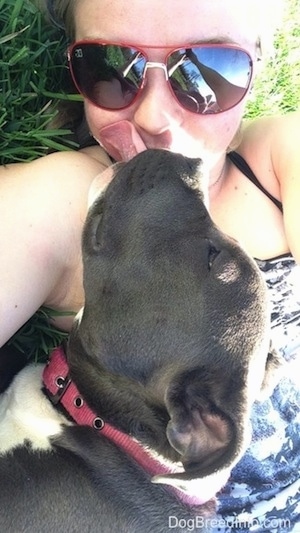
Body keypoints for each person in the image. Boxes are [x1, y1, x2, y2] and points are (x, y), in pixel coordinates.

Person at [1, 0, 299, 530]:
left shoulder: (279, 161)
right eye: (111, 67)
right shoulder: (71, 204)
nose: (152, 116)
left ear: (256, 65)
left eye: (209, 70)